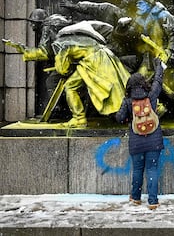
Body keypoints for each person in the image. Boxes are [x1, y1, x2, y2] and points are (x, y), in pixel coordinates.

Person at [52, 21, 130, 127]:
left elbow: (63, 69)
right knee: (119, 86)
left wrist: (63, 61)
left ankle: (79, 118)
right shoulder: (78, 38)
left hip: (93, 61)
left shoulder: (62, 46)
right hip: (104, 55)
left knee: (70, 87)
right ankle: (147, 107)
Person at [115, 58, 165, 210]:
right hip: (154, 139)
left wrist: (127, 117)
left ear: (129, 86)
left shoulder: (128, 101)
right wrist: (159, 67)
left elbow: (119, 118)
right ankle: (153, 201)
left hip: (136, 140)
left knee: (138, 170)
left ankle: (136, 197)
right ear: (144, 83)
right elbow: (158, 81)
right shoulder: (151, 96)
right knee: (152, 169)